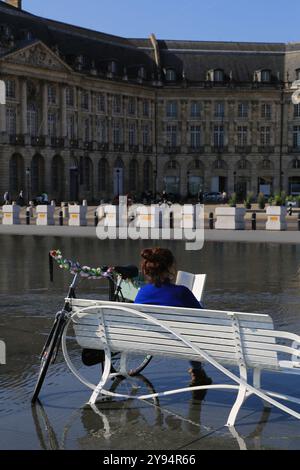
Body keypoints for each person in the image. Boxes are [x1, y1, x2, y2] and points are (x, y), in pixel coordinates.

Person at [134, 247, 212, 388]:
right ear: (170, 268)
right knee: (191, 329)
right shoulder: (181, 292)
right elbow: (203, 319)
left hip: (149, 340)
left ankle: (198, 372)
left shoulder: (141, 293)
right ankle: (197, 371)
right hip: (180, 342)